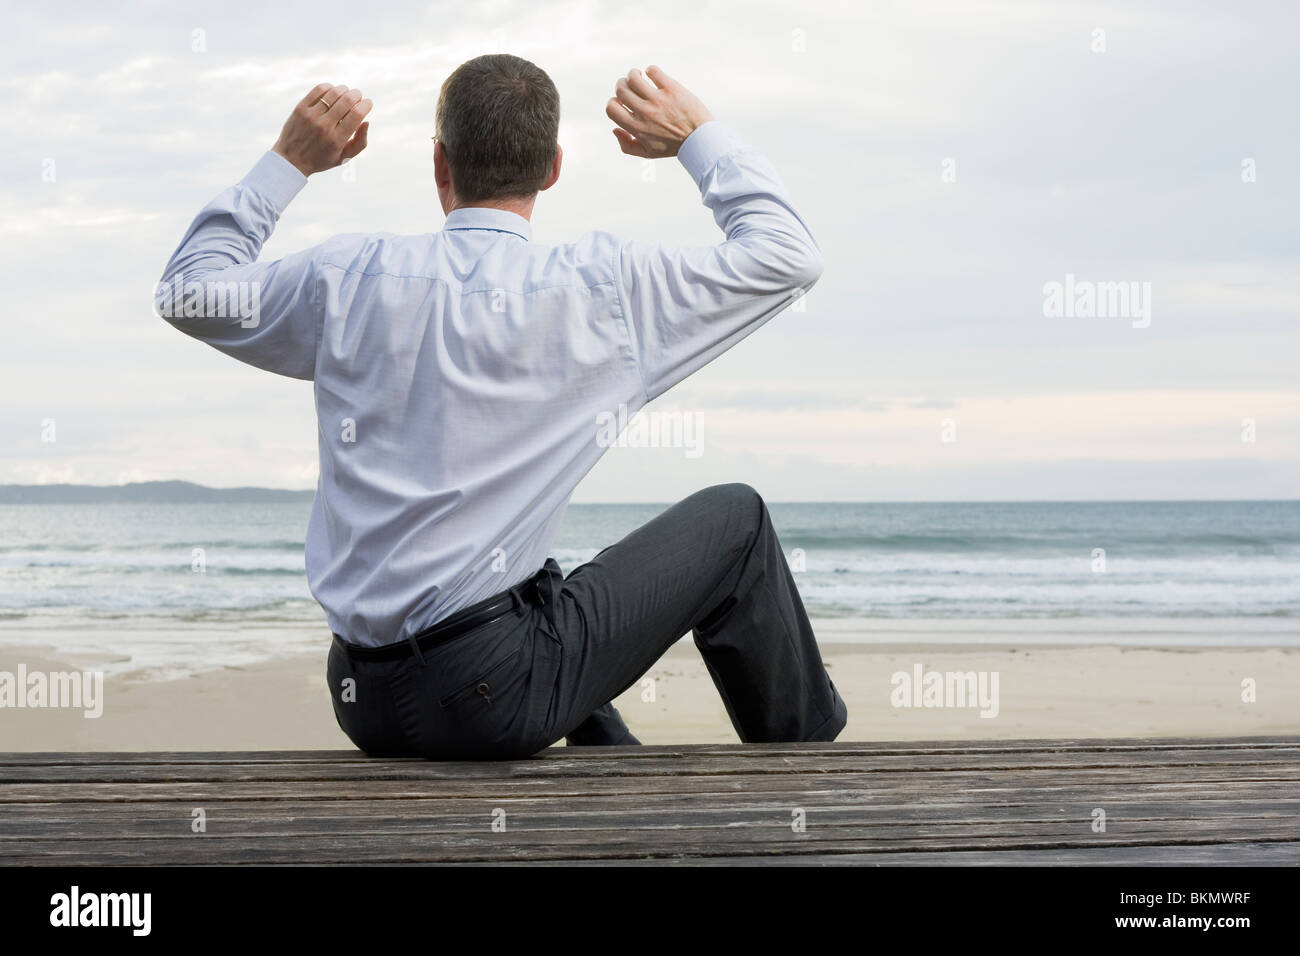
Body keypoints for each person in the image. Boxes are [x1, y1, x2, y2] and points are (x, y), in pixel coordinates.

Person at [156, 54, 846, 759]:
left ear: (439, 166)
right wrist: (697, 136)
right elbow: (788, 258)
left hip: (364, 701)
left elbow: (187, 291)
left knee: (523, 563)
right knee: (736, 519)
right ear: (551, 167)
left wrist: (288, 161)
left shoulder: (346, 276)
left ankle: (610, 746)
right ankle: (809, 771)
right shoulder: (605, 289)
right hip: (492, 698)